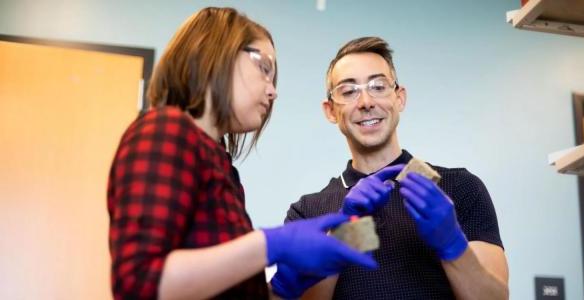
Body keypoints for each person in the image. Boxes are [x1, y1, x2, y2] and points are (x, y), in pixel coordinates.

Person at [106, 8, 386, 299]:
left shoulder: (221, 165)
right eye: (264, 68)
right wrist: (270, 245)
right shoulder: (166, 131)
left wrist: (284, 286)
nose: (272, 91)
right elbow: (138, 284)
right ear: (214, 54)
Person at [272, 37, 509, 299]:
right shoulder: (308, 212)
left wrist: (452, 243)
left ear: (399, 98)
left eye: (378, 86)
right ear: (330, 111)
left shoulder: (458, 187)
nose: (365, 101)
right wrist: (344, 233)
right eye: (349, 91)